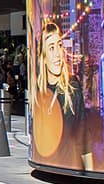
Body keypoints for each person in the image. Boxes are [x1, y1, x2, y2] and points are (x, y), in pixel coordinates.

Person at [32, 21, 86, 166]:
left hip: (69, 165)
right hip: (45, 166)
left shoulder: (72, 88)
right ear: (42, 56)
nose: (57, 54)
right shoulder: (38, 92)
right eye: (51, 48)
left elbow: (82, 135)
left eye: (60, 46)